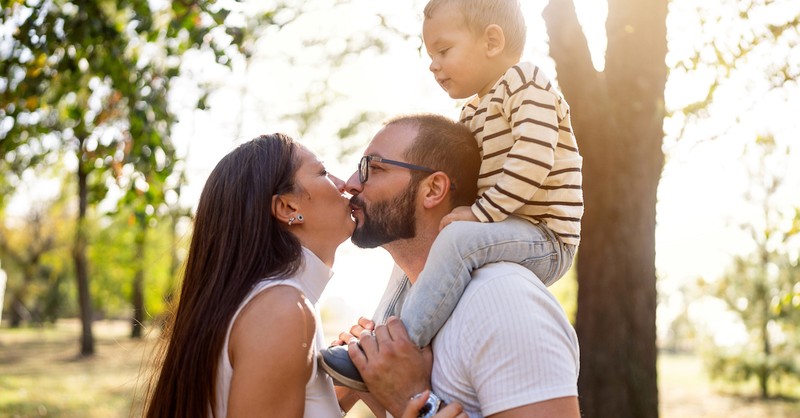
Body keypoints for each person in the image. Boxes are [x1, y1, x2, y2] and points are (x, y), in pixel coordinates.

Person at [321, 0, 583, 390]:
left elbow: (533, 158)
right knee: (420, 256)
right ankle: (375, 342)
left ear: (492, 41)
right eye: (430, 54)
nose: (433, 64)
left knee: (457, 239)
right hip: (506, 226)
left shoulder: (527, 84)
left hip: (545, 236)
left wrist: (479, 214)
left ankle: (405, 345)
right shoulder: (473, 111)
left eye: (443, 51)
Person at [139, 133, 463, 418]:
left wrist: (346, 389)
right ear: (288, 209)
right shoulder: (282, 308)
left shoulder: (276, 300)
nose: (345, 184)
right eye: (322, 172)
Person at [330, 114, 582, 417]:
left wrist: (412, 398)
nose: (351, 183)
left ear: (434, 189)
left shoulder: (501, 298)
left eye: (374, 168)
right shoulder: (402, 309)